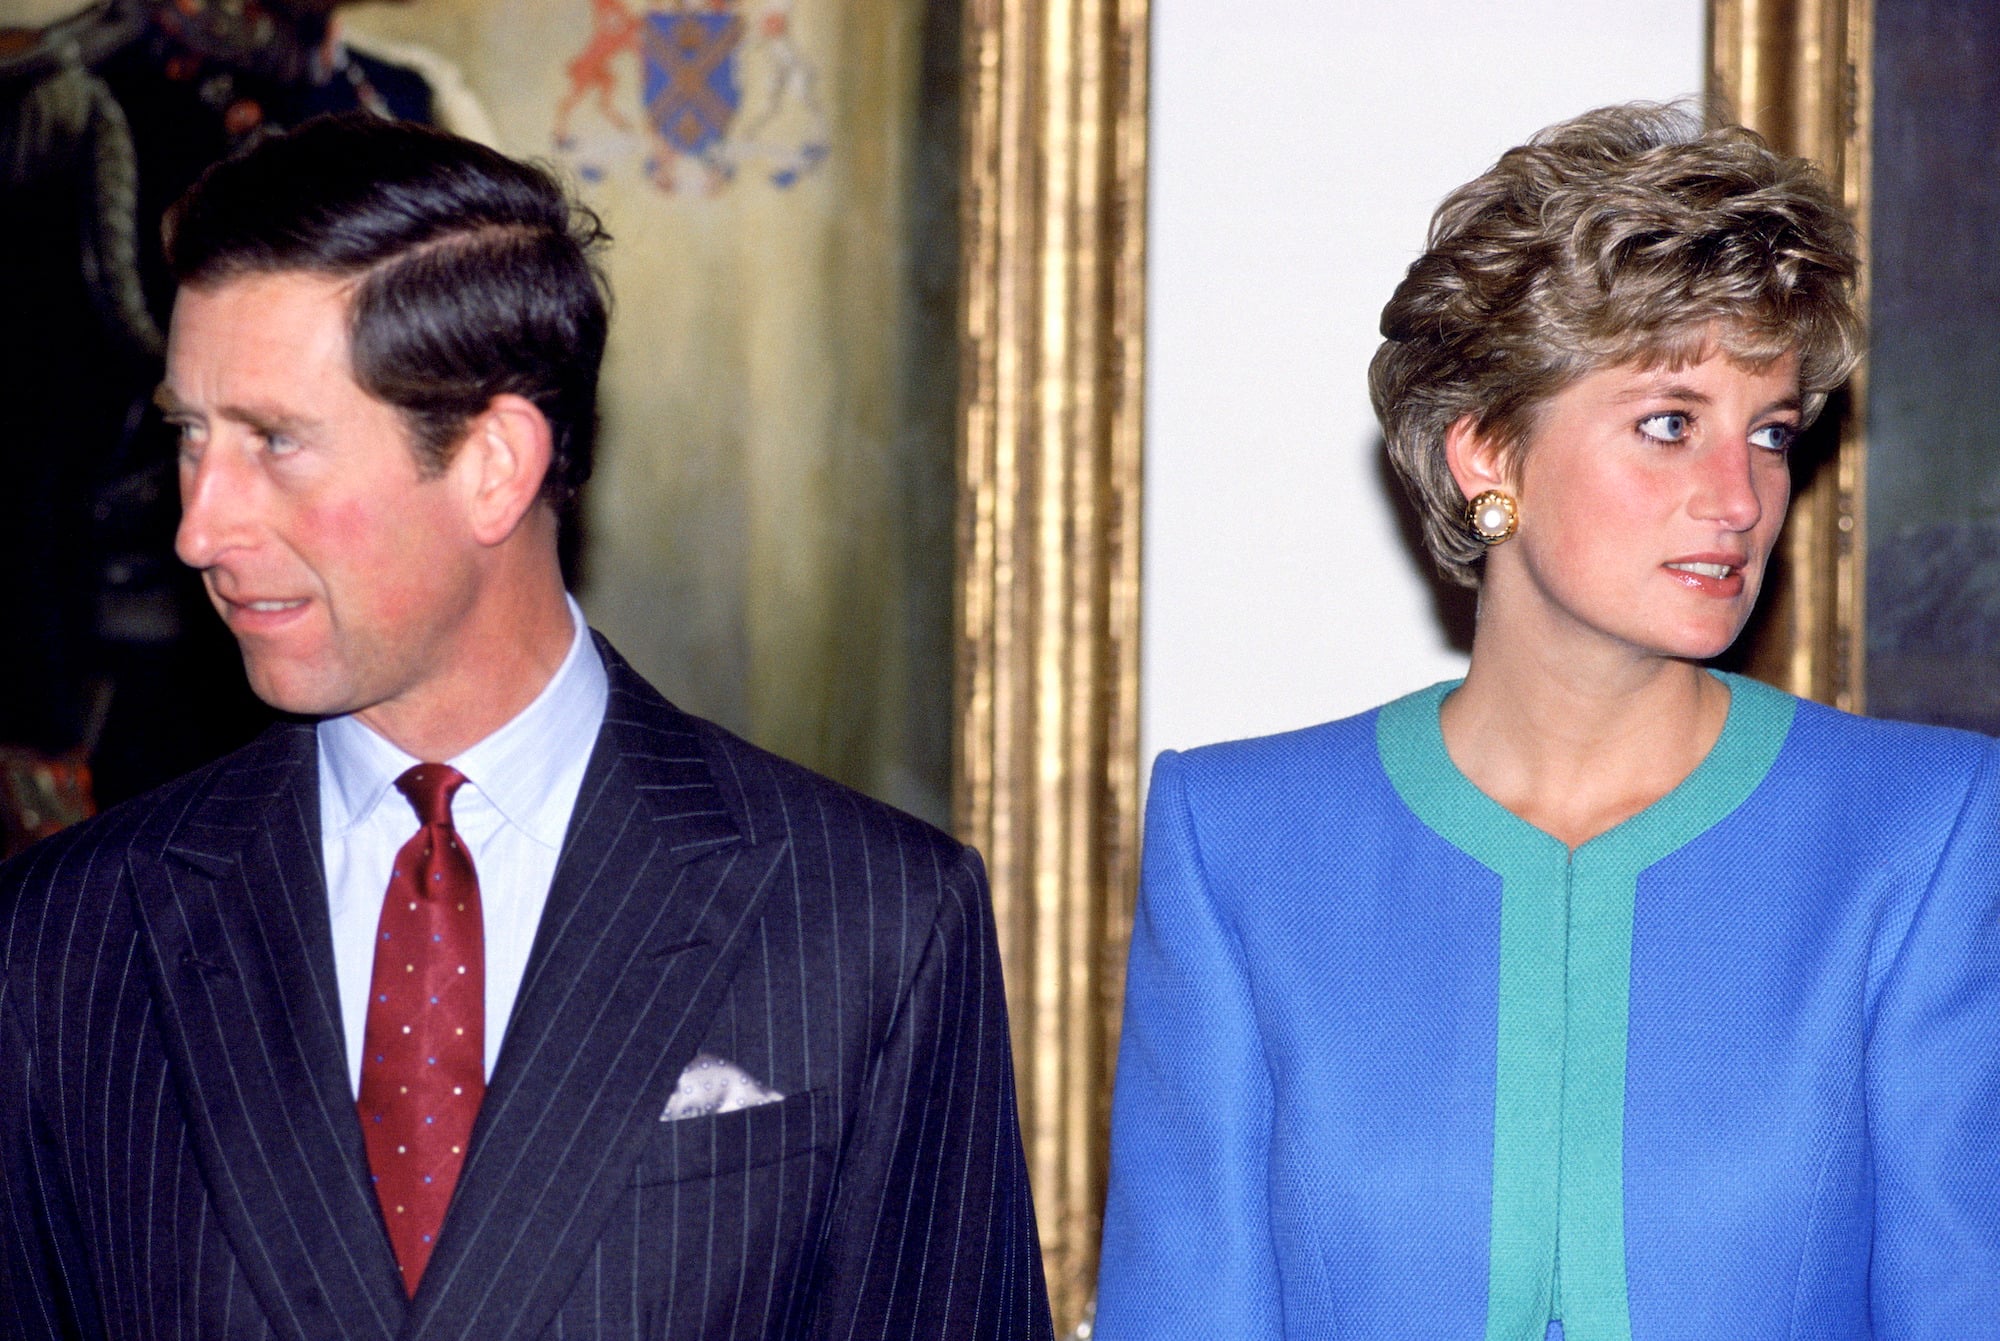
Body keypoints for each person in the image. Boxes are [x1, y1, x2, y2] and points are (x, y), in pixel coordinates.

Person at [0, 114, 1051, 1341]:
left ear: (494, 465)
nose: (198, 528)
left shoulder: (871, 920)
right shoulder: (63, 938)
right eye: (192, 437)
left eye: (276, 442)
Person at [1095, 102, 2000, 1338]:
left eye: (1769, 433)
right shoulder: (1238, 842)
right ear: (1486, 454)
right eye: (1668, 423)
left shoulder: (1919, 832)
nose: (1739, 498)